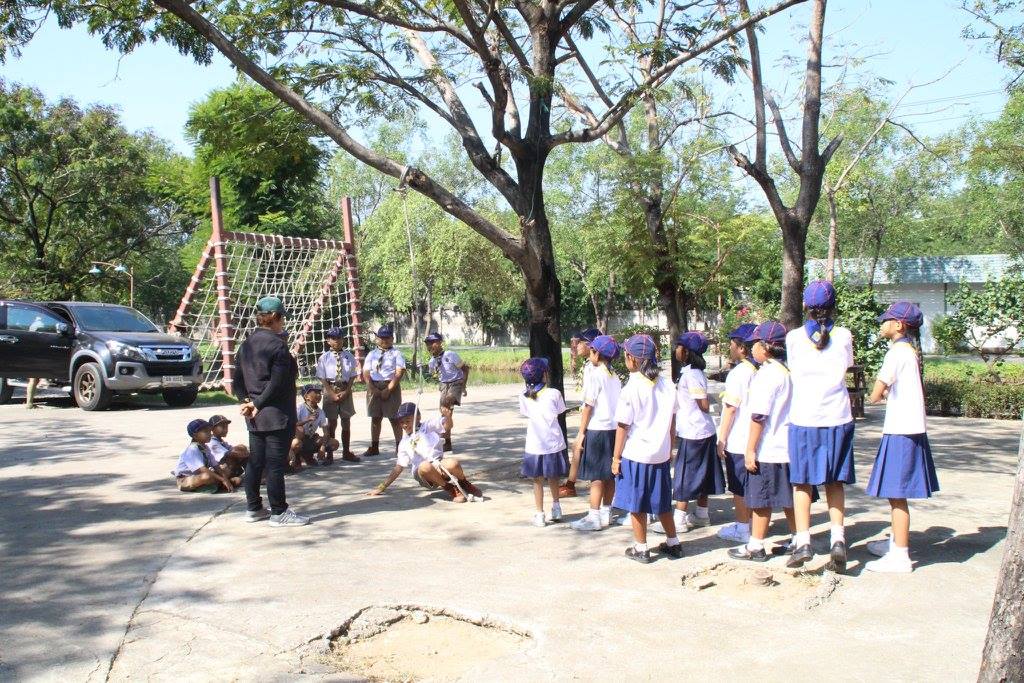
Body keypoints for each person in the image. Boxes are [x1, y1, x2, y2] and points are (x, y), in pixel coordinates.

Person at [785, 280, 856, 572]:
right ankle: (837, 539)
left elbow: (794, 369)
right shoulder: (844, 336)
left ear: (805, 306)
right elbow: (846, 366)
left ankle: (803, 542)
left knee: (802, 482)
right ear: (833, 305)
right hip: (838, 417)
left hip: (804, 417)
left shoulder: (793, 338)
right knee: (834, 482)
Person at [864, 302, 940, 573]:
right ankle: (896, 542)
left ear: (899, 325)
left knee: (896, 495)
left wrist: (879, 394)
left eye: (887, 320)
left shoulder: (896, 353)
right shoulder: (909, 352)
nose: (882, 324)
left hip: (901, 430)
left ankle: (900, 555)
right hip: (908, 428)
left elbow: (875, 394)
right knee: (896, 494)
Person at [233, 296, 310, 527]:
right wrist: (257, 404)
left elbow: (237, 380)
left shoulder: (246, 344)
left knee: (256, 462)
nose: (283, 322)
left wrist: (246, 402)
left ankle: (254, 508)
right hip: (276, 415)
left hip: (254, 416)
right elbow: (277, 383)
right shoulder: (278, 346)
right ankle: (279, 512)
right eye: (282, 318)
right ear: (275, 317)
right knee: (276, 464)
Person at [727, 322, 800, 562]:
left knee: (760, 498)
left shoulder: (766, 375)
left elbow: (758, 416)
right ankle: (798, 538)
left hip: (769, 447)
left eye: (755, 344)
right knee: (790, 497)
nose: (752, 348)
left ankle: (756, 545)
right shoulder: (787, 371)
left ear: (765, 347)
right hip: (787, 445)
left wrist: (750, 449)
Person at [611, 334, 684, 563]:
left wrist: (616, 457)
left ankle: (641, 547)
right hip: (660, 454)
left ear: (631, 358)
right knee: (662, 501)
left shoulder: (631, 388)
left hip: (636, 454)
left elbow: (623, 426)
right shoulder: (668, 385)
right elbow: (672, 422)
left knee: (637, 503)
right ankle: (673, 542)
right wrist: (669, 448)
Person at [368, 402, 483, 502]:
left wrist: (448, 416)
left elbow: (447, 426)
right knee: (424, 466)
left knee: (453, 463)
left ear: (418, 417)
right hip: (423, 473)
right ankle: (450, 489)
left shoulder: (427, 426)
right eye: (401, 422)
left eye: (408, 421)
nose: (404, 425)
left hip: (438, 464)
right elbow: (399, 467)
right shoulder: (403, 443)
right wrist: (382, 487)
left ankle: (464, 483)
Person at [671, 332, 724, 532]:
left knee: (685, 475)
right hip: (701, 430)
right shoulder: (693, 372)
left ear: (686, 352)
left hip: (694, 431)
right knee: (703, 473)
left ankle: (679, 519)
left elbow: (703, 404)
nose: (676, 350)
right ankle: (702, 514)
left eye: (679, 346)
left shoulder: (692, 375)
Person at [569, 335, 622, 531]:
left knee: (596, 476)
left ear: (597, 354)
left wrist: (581, 433)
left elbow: (588, 406)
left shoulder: (596, 375)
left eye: (592, 351)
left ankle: (593, 516)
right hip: (613, 429)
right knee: (609, 474)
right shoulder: (614, 376)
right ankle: (606, 511)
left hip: (598, 429)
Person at [716, 323, 758, 544]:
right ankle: (752, 523)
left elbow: (731, 408)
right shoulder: (762, 370)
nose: (730, 348)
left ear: (742, 348)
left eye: (732, 344)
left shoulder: (739, 373)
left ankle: (742, 528)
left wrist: (722, 438)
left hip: (740, 438)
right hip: (758, 439)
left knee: (739, 486)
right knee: (753, 485)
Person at [519, 358, 569, 527]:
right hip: (553, 442)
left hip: (535, 444)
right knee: (553, 476)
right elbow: (560, 411)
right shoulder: (554, 393)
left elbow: (526, 413)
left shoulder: (523, 396)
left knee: (537, 480)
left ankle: (539, 514)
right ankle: (556, 507)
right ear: (545, 375)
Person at [560, 327, 602, 498]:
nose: (577, 346)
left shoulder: (596, 369)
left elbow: (589, 404)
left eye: (581, 342)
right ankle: (570, 484)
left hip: (596, 420)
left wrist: (582, 431)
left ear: (591, 345)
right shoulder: (590, 366)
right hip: (593, 418)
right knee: (577, 448)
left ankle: (575, 486)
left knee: (580, 447)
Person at [316, 326, 360, 463]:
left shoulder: (349, 356)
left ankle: (346, 452)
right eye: (333, 338)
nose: (337, 341)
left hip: (345, 389)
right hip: (330, 388)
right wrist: (331, 393)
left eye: (339, 338)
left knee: (346, 421)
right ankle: (330, 454)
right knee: (332, 422)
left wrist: (347, 391)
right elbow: (322, 377)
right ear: (328, 341)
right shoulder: (324, 358)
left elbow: (352, 375)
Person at [361, 324, 407, 457]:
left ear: (392, 338)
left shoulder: (397, 354)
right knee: (375, 418)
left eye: (387, 337)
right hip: (374, 385)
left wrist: (389, 389)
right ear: (377, 339)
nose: (384, 340)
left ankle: (399, 447)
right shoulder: (372, 354)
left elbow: (399, 372)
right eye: (382, 338)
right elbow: (366, 372)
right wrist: (372, 388)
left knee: (394, 418)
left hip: (390, 385)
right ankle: (374, 446)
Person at [425, 332, 470, 452]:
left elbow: (465, 369)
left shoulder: (450, 355)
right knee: (444, 412)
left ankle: (444, 438)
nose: (430, 346)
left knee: (447, 403)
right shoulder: (432, 361)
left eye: (433, 343)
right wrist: (422, 369)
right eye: (428, 344)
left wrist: (463, 386)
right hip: (444, 385)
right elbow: (431, 375)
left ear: (440, 343)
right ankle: (447, 440)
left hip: (456, 383)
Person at [172, 419, 240, 493]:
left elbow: (216, 466)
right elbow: (202, 469)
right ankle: (212, 485)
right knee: (207, 476)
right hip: (185, 479)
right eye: (205, 432)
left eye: (209, 431)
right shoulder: (192, 449)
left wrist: (225, 479)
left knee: (225, 469)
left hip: (200, 475)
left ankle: (217, 484)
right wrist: (222, 479)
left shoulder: (205, 447)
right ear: (195, 435)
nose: (209, 434)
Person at [291, 384, 339, 469]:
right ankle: (297, 459)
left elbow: (326, 432)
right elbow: (292, 425)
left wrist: (323, 446)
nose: (319, 395)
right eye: (316, 392)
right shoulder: (299, 408)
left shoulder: (320, 412)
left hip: (311, 438)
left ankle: (309, 457)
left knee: (334, 443)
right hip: (300, 439)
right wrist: (307, 420)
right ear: (306, 396)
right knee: (296, 442)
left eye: (320, 393)